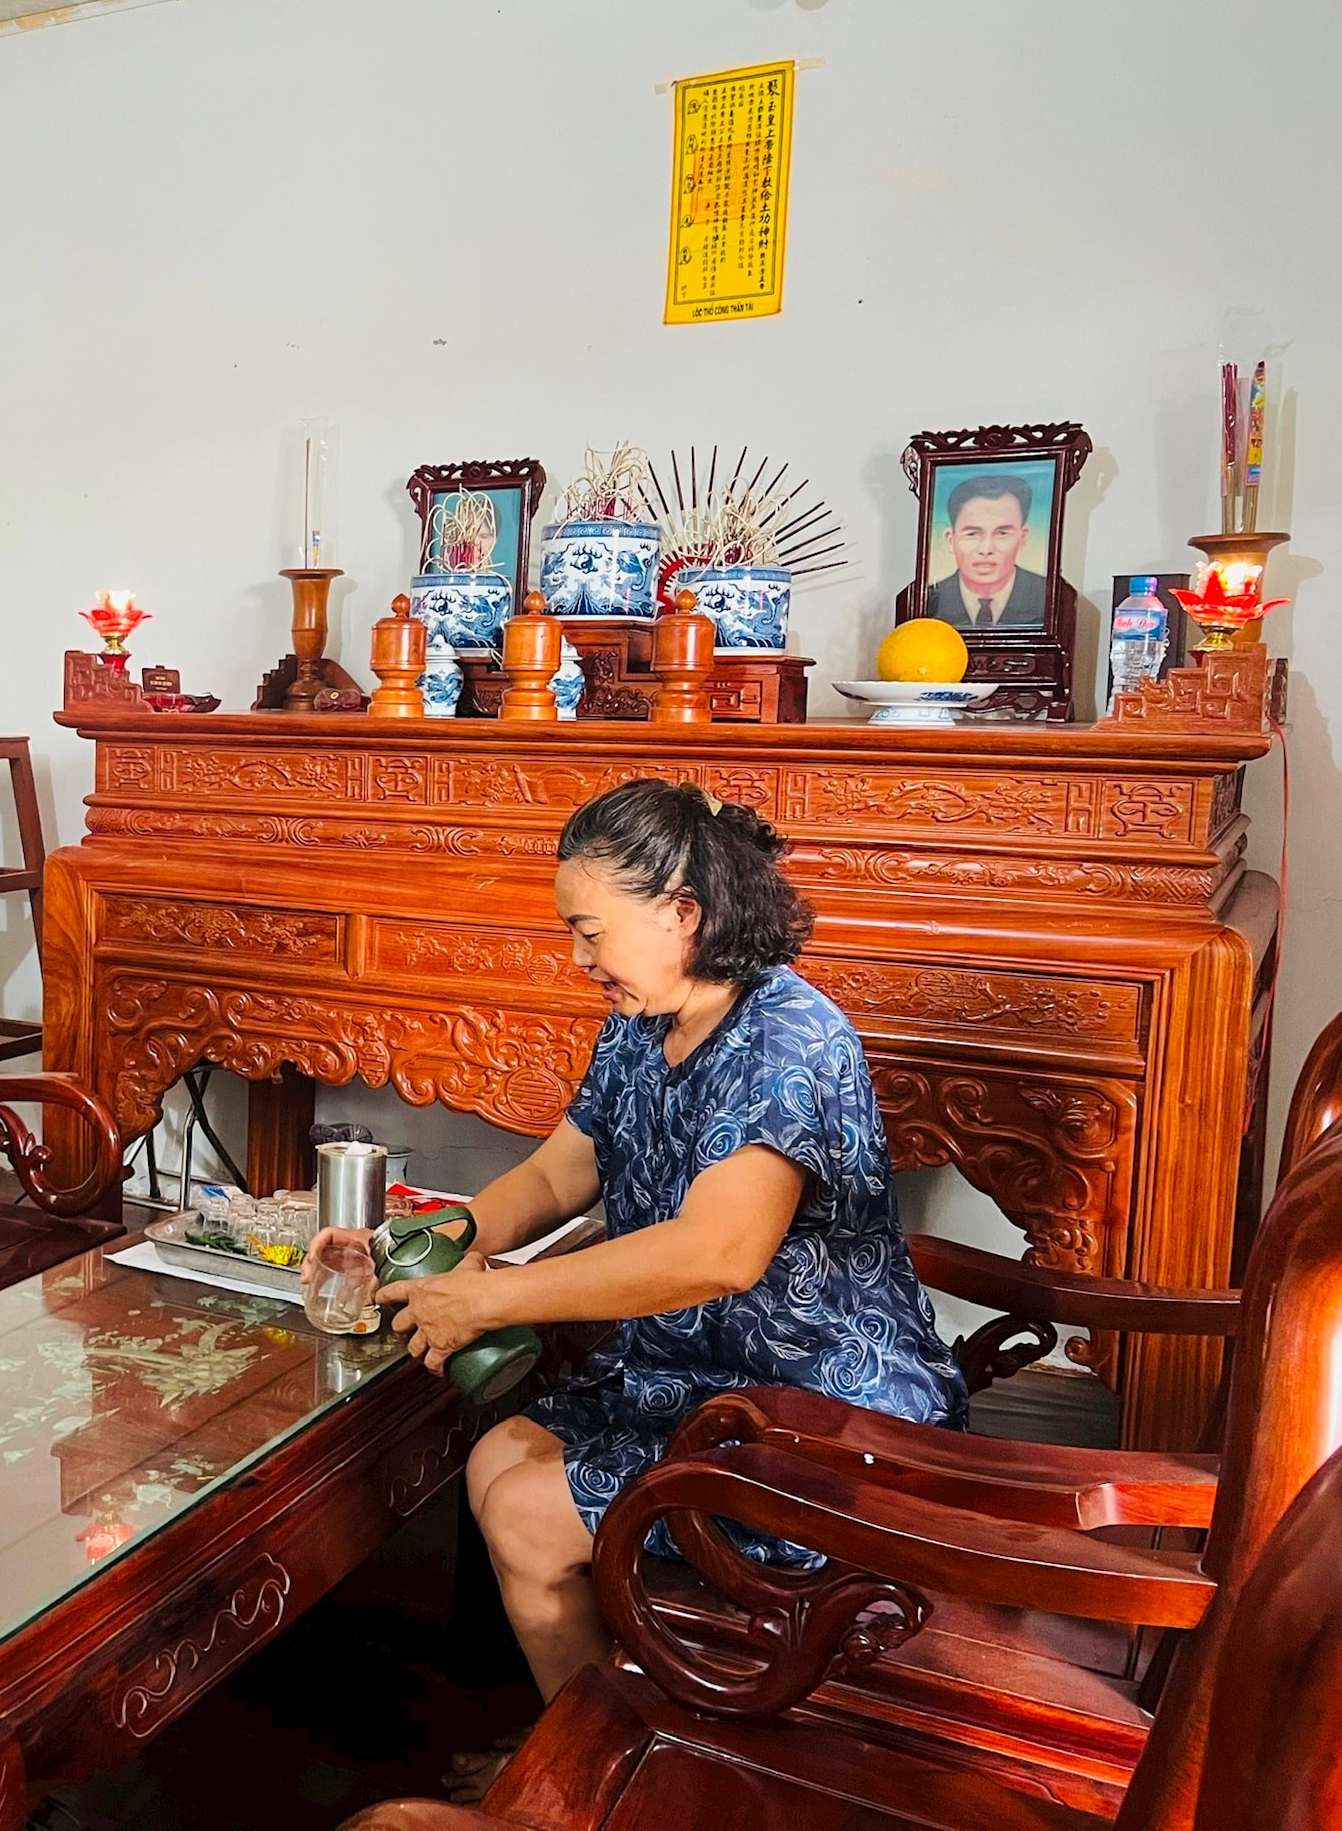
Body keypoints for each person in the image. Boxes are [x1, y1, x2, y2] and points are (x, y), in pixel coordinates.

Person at [308, 779, 964, 1779]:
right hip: (687, 1380)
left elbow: (718, 1252)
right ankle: (590, 1740)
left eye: (589, 931)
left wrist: (491, 1296)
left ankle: (601, 1773)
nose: (580, 959)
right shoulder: (641, 1020)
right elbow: (557, 1174)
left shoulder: (787, 1035)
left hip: (810, 1411)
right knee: (496, 1462)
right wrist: (422, 1239)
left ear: (681, 913)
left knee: (526, 1512)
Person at [924, 471, 1048, 628]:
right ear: (950, 540)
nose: (986, 549)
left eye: (1002, 533)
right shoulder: (927, 602)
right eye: (972, 534)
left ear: (1022, 538)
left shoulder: (1049, 596)